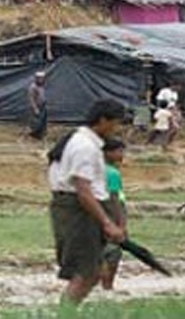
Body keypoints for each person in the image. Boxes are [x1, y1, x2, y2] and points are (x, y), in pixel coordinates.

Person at [46, 99, 126, 307]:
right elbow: (83, 190)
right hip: (80, 213)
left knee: (93, 271)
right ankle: (65, 313)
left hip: (82, 210)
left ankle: (68, 312)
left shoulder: (81, 141)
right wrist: (107, 223)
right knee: (86, 273)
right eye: (115, 123)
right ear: (102, 120)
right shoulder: (85, 147)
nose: (116, 129)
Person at [98, 139, 128, 291]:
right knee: (113, 253)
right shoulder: (112, 173)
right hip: (111, 219)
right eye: (119, 151)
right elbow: (115, 200)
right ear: (107, 153)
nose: (122, 155)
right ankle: (107, 287)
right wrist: (121, 225)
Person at [27, 71, 48, 140]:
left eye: (42, 78)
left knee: (43, 121)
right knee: (36, 122)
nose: (41, 80)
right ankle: (34, 134)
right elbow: (32, 99)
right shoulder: (33, 87)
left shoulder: (42, 86)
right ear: (36, 78)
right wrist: (35, 108)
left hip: (43, 106)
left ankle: (41, 134)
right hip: (37, 106)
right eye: (40, 78)